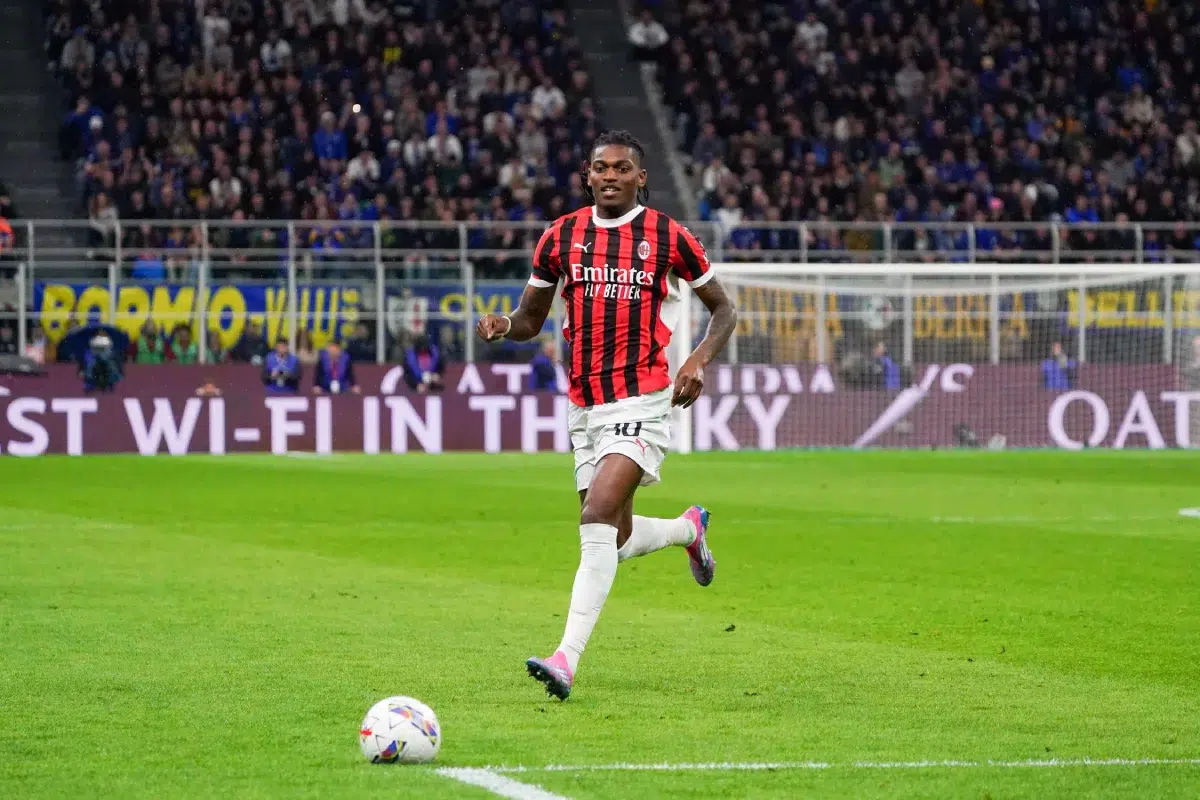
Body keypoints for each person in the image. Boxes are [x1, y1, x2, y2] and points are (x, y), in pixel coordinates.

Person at [476, 130, 737, 700]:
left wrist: (695, 359)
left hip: (642, 399)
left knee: (594, 517)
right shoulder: (560, 237)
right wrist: (505, 325)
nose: (611, 176)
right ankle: (687, 529)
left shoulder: (669, 236)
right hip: (584, 406)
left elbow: (724, 308)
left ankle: (565, 658)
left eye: (623, 167)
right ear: (587, 175)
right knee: (614, 537)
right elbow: (531, 317)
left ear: (641, 177)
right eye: (601, 168)